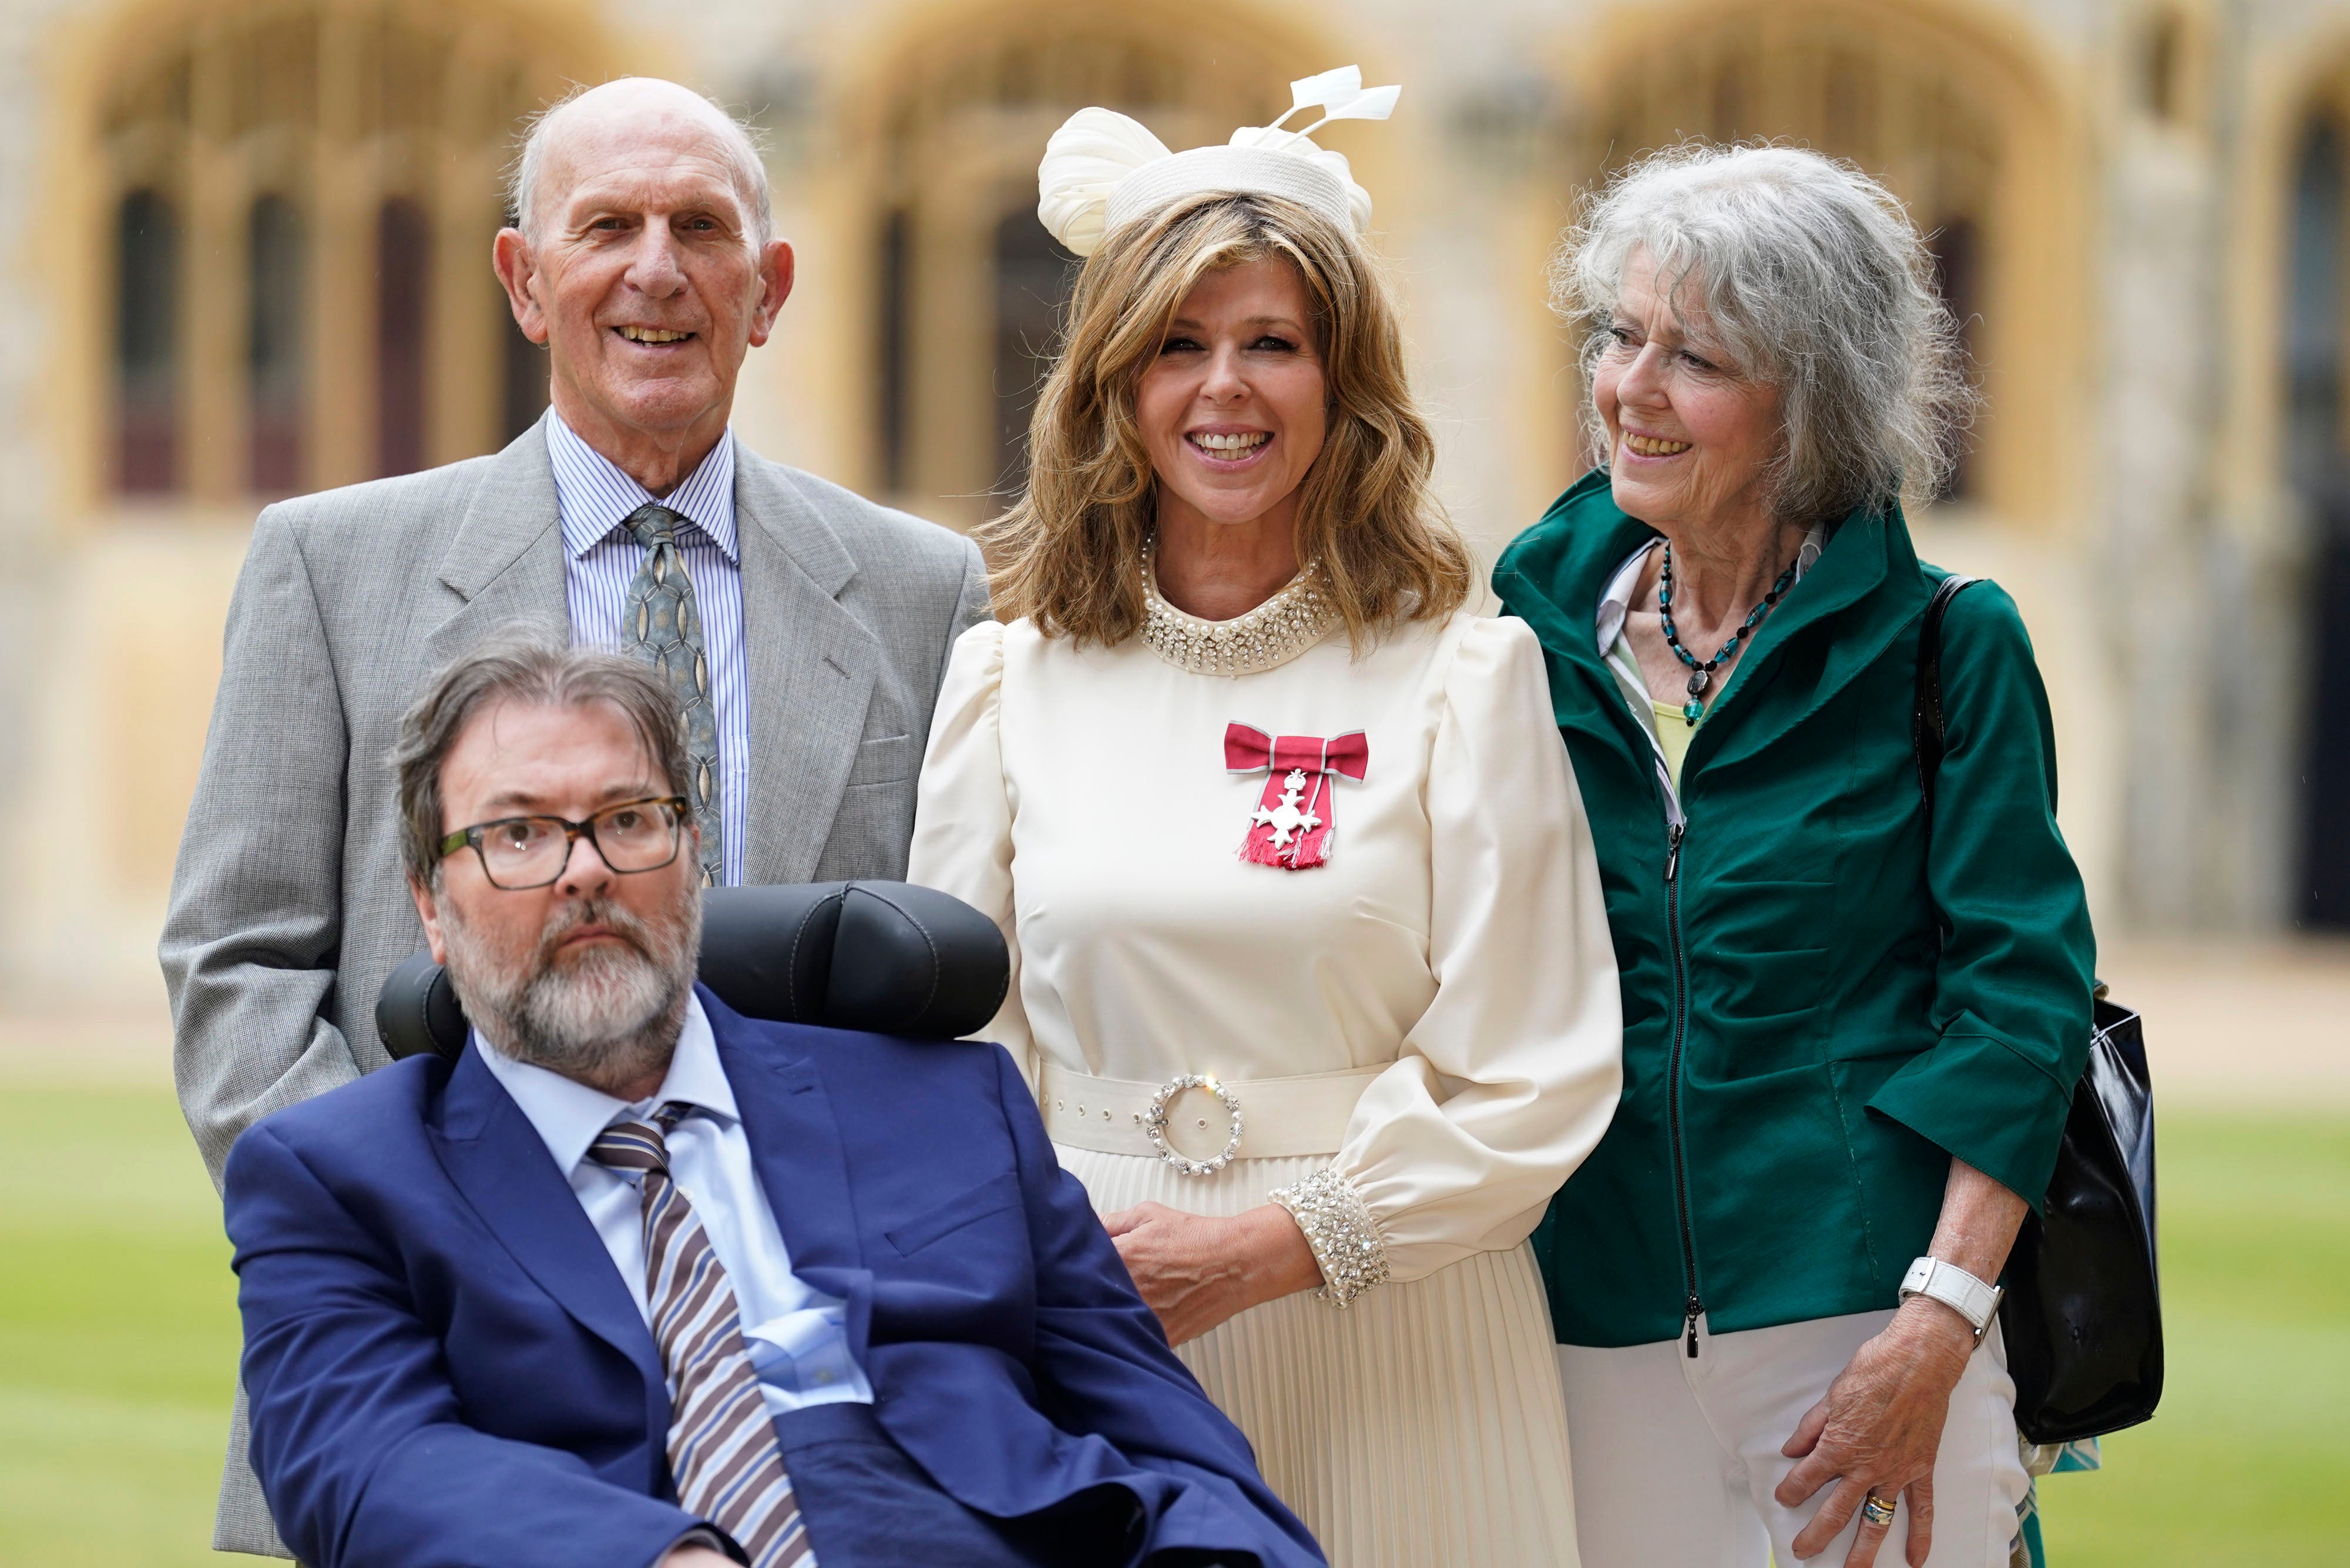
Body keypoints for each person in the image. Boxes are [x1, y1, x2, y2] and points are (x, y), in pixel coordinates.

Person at [162, 78, 985, 1554]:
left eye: (700, 228)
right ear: (523, 281)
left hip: (815, 1383)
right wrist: (412, 1240)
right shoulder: (332, 564)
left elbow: (936, 988)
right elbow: (238, 961)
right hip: (439, 1369)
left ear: (771, 288)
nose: (654, 269)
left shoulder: (924, 592)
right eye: (604, 226)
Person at [908, 77, 1624, 1568]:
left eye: (1271, 346)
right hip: (1095, 1326)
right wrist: (1044, 1277)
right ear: (1112, 382)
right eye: (1177, 345)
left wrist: (1279, 1246)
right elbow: (958, 1066)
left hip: (1405, 1329)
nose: (1221, 389)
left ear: (1342, 382)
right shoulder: (1004, 680)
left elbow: (1537, 1068)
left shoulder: (1464, 675)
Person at [223, 633, 1322, 1568]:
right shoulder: (341, 1175)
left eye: (629, 819)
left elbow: (1175, 1445)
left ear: (690, 855)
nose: (584, 870)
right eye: (518, 834)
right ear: (430, 904)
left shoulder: (948, 1101)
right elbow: (365, 1463)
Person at [1491, 143, 2096, 1568]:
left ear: (1810, 398)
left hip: (1864, 1322)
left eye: (1693, 356)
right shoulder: (1518, 633)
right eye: (1619, 335)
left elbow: (2019, 1004)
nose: (1632, 389)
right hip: (1586, 1323)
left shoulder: (1951, 641)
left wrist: (1936, 1326)